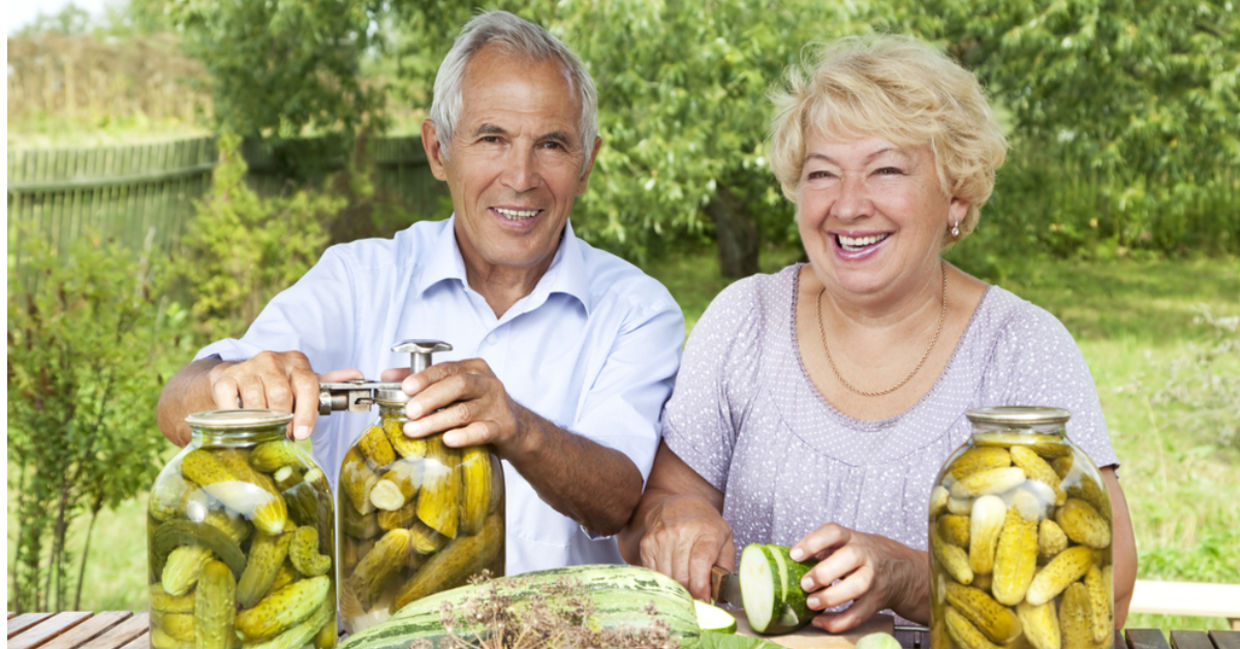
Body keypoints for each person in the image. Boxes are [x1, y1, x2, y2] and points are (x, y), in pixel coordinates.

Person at [620, 34, 1136, 631]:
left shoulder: (1020, 347)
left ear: (957, 195)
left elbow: (1107, 590)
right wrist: (678, 524)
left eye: (886, 169)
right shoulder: (746, 318)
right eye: (822, 173)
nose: (847, 205)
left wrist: (911, 577)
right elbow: (657, 508)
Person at [157, 10, 684, 573]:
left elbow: (618, 501)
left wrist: (517, 426)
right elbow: (176, 408)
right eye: (492, 138)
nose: (522, 175)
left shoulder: (637, 309)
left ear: (587, 164)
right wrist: (232, 383)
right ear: (438, 151)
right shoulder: (359, 278)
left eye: (552, 145)